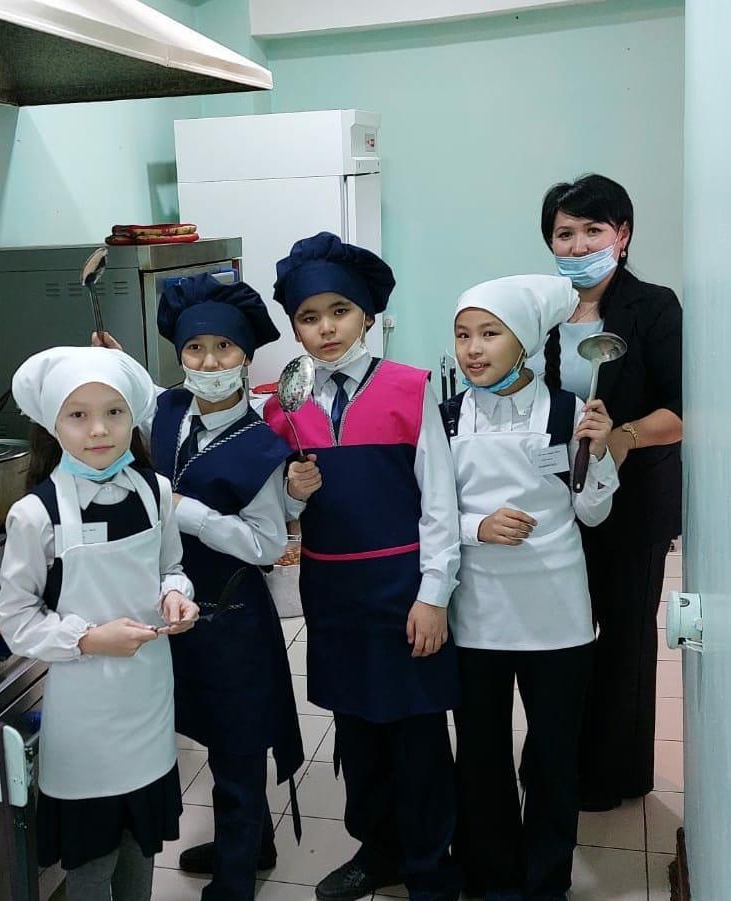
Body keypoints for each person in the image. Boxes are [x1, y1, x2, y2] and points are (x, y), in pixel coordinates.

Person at [263, 232, 462, 901]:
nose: (325, 328)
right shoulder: (285, 405)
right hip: (332, 590)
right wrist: (293, 493)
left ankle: (429, 866)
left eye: (339, 311)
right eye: (308, 317)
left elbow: (439, 501)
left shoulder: (409, 388)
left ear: (368, 316)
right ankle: (377, 852)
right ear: (294, 327)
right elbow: (272, 508)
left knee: (416, 734)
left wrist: (433, 595)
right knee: (357, 729)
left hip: (405, 588)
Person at [0, 346, 198, 901]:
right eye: (78, 415)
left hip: (149, 704)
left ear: (133, 416)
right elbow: (16, 620)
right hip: (85, 719)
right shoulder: (36, 514)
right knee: (91, 865)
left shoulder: (155, 492)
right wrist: (87, 638)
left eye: (113, 412)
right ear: (52, 424)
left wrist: (176, 596)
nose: (99, 429)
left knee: (141, 847)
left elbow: (171, 568)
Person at [444, 275, 618, 900]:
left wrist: (599, 453)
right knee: (480, 753)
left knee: (552, 757)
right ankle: (491, 878)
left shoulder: (571, 411)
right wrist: (477, 526)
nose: (473, 349)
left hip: (557, 612)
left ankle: (546, 882)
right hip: (478, 611)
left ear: (524, 342)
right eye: (463, 335)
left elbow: (593, 513)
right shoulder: (446, 415)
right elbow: (429, 514)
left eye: (490, 334)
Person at [147, 273, 304, 901]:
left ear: (246, 357)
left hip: (234, 614)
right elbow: (127, 397)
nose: (209, 363)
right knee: (212, 733)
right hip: (180, 608)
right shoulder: (167, 411)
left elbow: (267, 546)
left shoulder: (262, 445)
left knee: (239, 746)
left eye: (223, 349)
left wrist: (185, 511)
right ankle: (254, 842)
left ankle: (235, 881)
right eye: (195, 349)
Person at [529, 174, 683, 809]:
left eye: (593, 230)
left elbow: (684, 410)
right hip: (554, 501)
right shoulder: (541, 310)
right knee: (561, 637)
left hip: (633, 501)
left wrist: (621, 438)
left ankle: (614, 774)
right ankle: (555, 763)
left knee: (623, 639)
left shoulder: (654, 307)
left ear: (622, 235)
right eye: (564, 233)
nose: (578, 245)